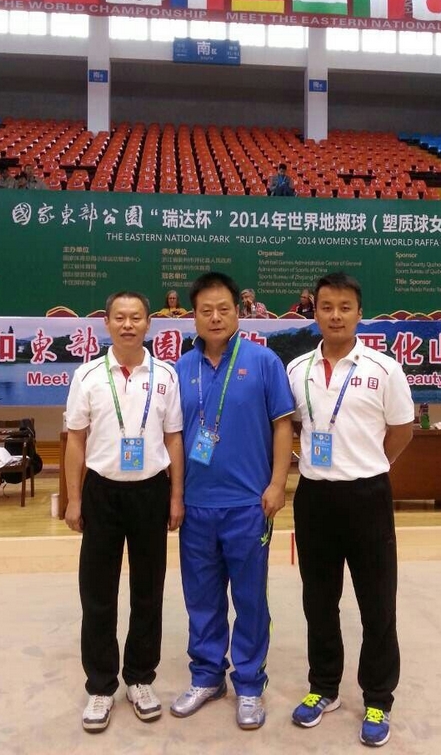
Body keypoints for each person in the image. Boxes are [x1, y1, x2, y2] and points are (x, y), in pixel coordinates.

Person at [286, 272, 414, 748]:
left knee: (377, 602)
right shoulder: (296, 369)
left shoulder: (384, 369)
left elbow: (401, 430)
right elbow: (292, 426)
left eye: (345, 307)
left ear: (360, 313)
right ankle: (324, 687)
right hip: (314, 498)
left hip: (367, 497)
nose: (335, 315)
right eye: (326, 307)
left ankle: (378, 696)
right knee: (318, 601)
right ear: (314, 312)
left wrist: (369, 464)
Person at [171, 272, 294, 730]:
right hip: (196, 506)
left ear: (238, 312)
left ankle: (249, 683)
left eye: (223, 308)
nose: (216, 317)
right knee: (201, 598)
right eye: (206, 311)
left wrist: (278, 484)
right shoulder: (180, 369)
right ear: (194, 317)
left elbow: (283, 425)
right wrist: (176, 496)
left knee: (250, 599)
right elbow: (172, 438)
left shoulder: (263, 361)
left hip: (248, 505)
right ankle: (206, 677)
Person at [64, 290, 184, 734]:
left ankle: (140, 679)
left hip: (151, 491)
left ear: (149, 323)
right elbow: (75, 439)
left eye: (136, 317)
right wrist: (74, 498)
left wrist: (176, 496)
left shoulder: (166, 374)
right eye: (120, 317)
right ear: (107, 323)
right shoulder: (88, 375)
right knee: (97, 592)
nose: (128, 324)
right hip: (102, 491)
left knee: (148, 591)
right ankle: (100, 685)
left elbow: (174, 438)